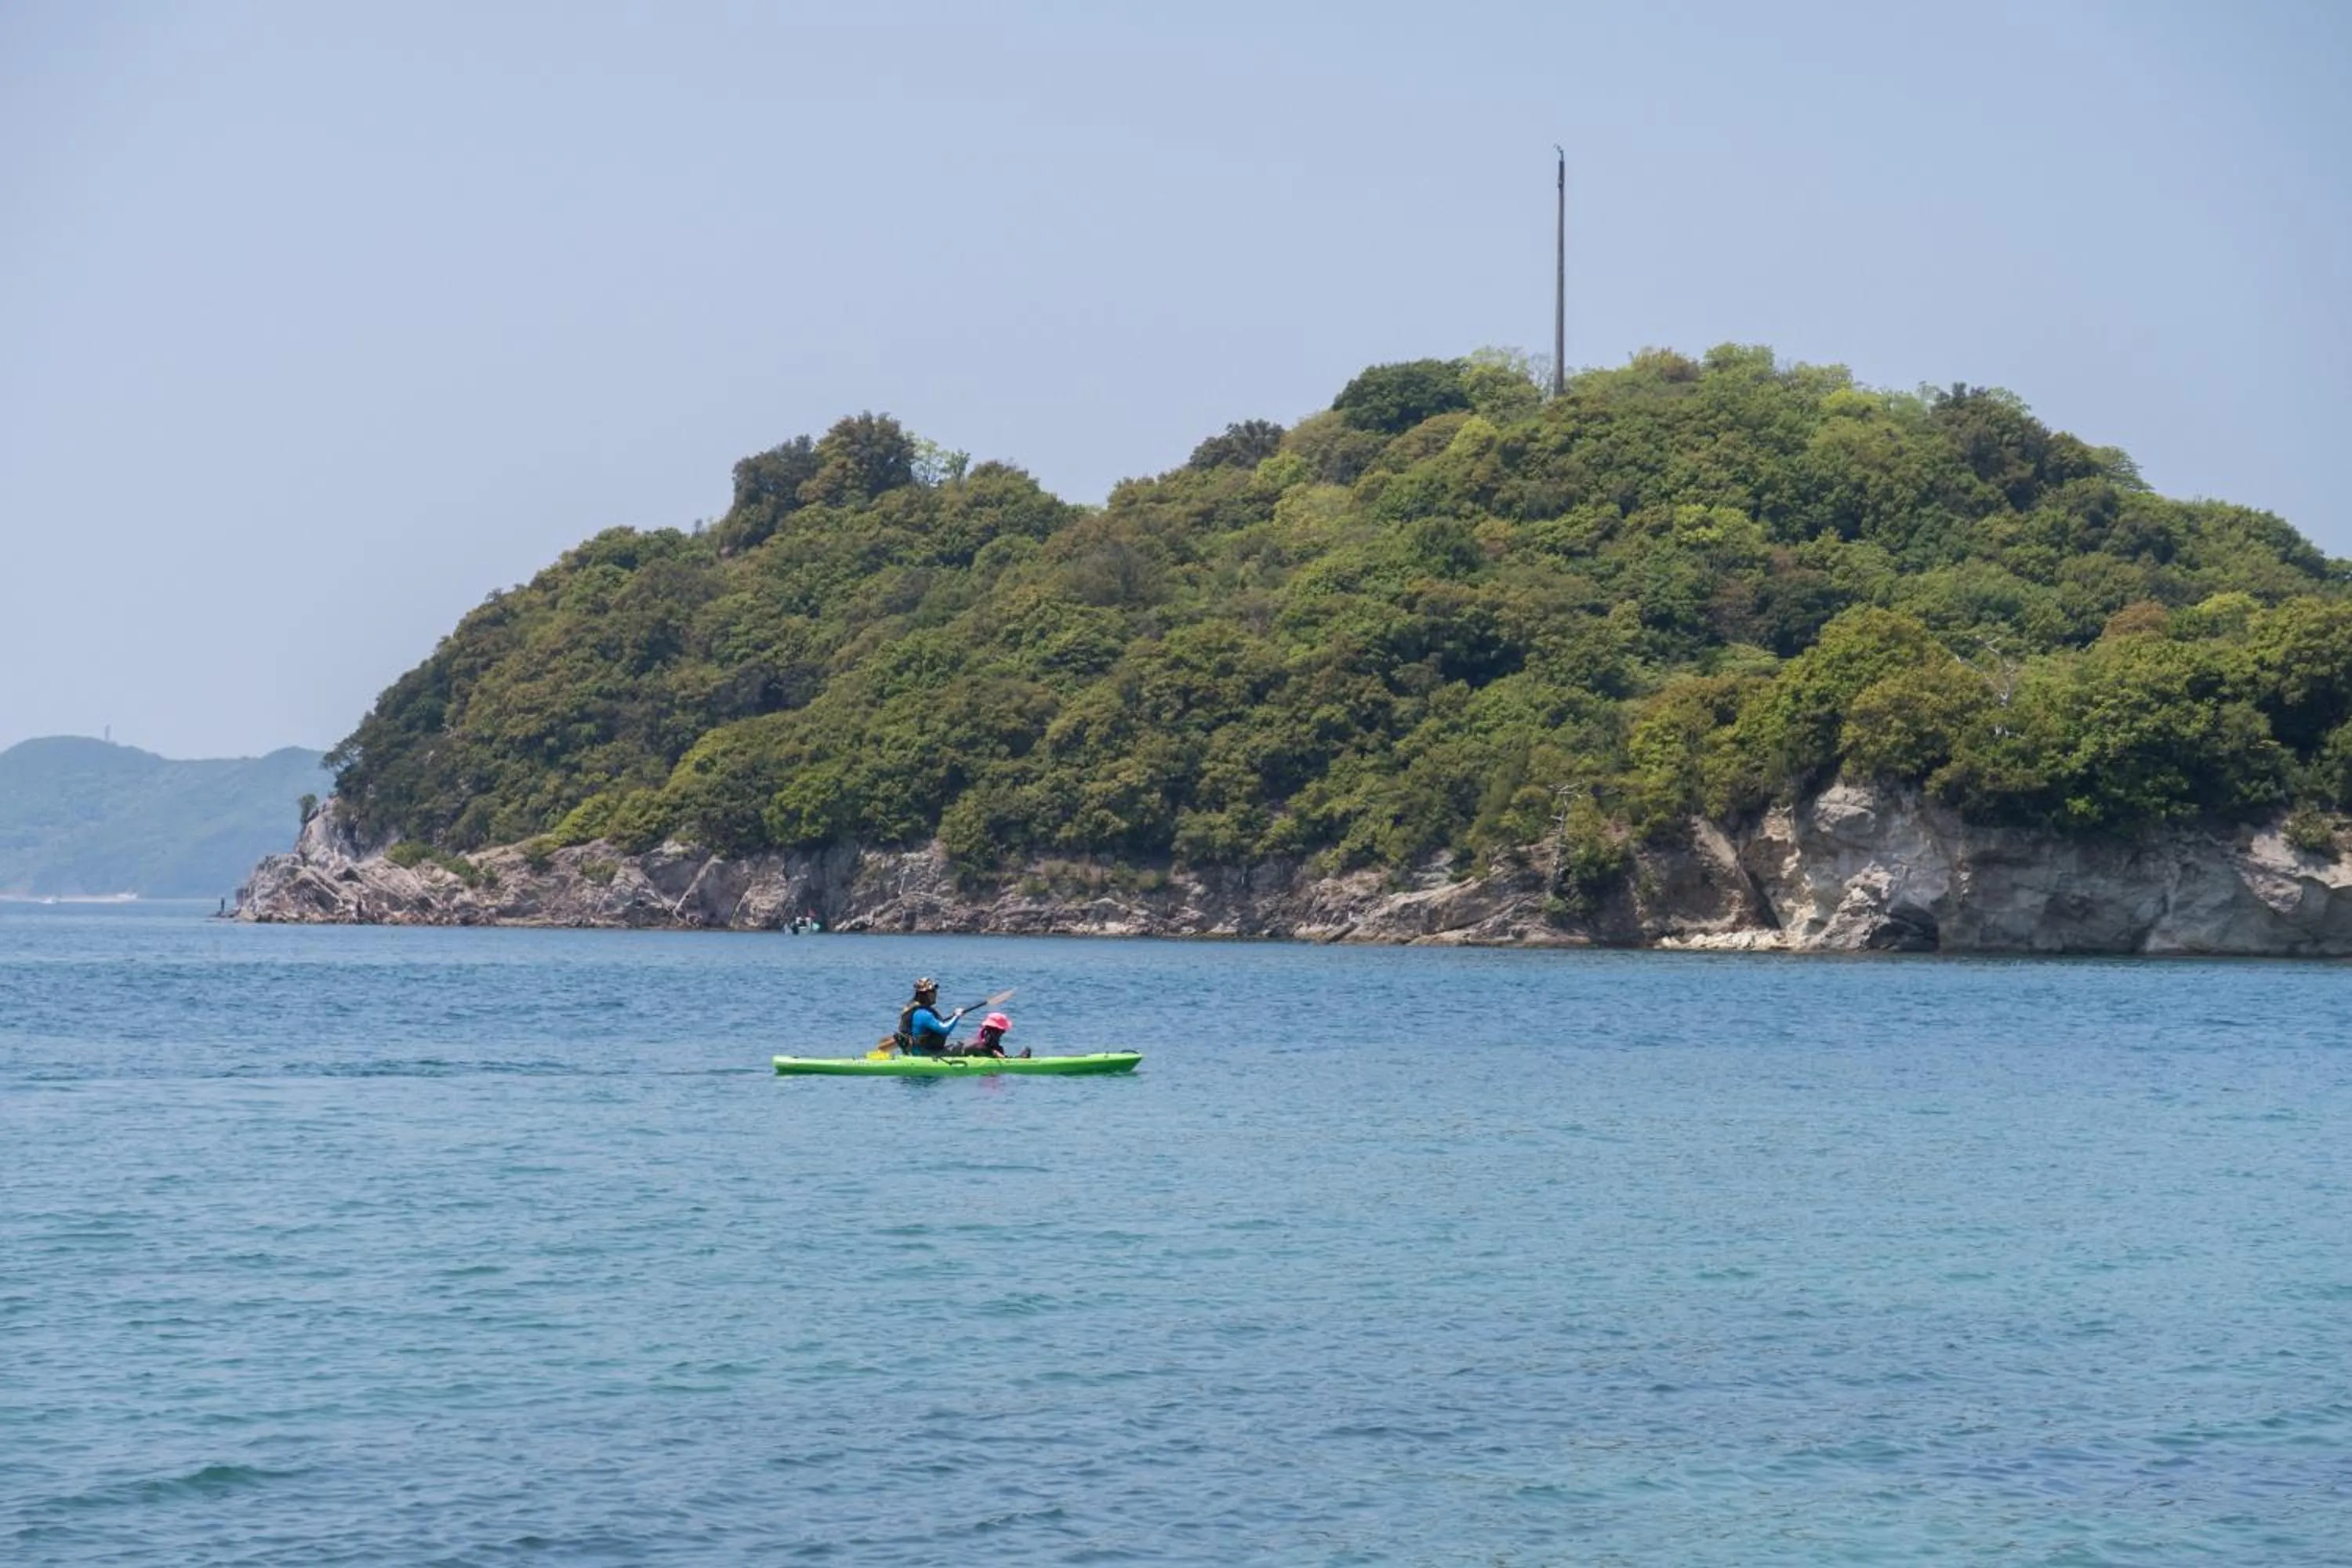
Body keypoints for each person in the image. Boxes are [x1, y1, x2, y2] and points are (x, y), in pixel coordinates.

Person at [895, 977, 966, 1056]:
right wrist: (957, 1016)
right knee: (965, 1047)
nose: (935, 994)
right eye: (932, 991)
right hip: (927, 1054)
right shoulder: (924, 1014)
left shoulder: (913, 1009)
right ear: (924, 994)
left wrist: (953, 1017)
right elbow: (945, 1029)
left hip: (917, 1051)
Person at [958, 1011, 1029, 1059]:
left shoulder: (989, 1033)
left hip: (982, 1049)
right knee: (981, 1047)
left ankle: (1010, 1058)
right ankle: (1012, 1059)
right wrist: (995, 1053)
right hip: (964, 1051)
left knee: (998, 1049)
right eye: (1002, 1031)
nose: (1003, 1032)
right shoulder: (987, 1035)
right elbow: (976, 1047)